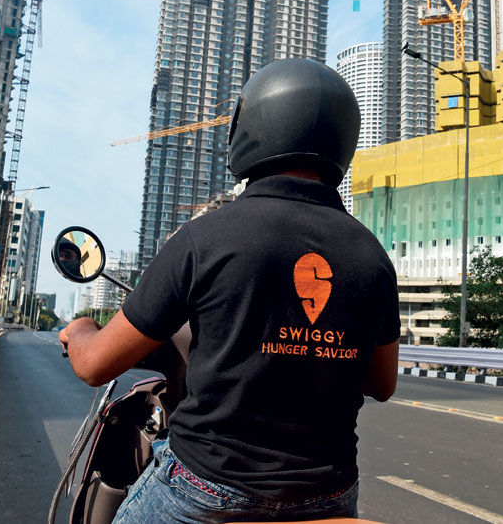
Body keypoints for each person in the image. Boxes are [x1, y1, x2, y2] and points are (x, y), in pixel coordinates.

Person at [59, 58, 400, 523]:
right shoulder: (372, 256)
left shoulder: (205, 238)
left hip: (204, 494)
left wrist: (79, 330)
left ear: (252, 125)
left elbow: (95, 364)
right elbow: (382, 383)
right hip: (328, 494)